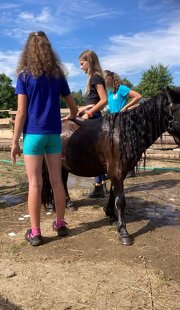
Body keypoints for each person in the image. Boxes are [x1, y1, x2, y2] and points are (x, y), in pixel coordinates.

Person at [11, 31, 78, 247]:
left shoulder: (24, 76)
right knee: (57, 181)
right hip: (53, 135)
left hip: (33, 135)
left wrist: (14, 143)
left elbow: (21, 113)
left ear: (28, 50)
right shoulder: (58, 75)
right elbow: (74, 108)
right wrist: (70, 116)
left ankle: (36, 232)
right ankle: (60, 224)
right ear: (49, 49)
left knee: (35, 184)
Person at [78, 49, 108, 198]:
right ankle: (99, 186)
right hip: (90, 113)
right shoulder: (93, 78)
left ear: (89, 62)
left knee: (93, 152)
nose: (80, 67)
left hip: (94, 117)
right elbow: (93, 101)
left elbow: (103, 100)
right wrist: (83, 109)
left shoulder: (96, 78)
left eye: (82, 63)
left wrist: (89, 113)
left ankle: (99, 185)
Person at [103, 70, 142, 177]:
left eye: (104, 78)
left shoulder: (122, 89)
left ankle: (130, 169)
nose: (103, 81)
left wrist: (126, 107)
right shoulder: (110, 93)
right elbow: (110, 106)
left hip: (122, 121)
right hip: (112, 121)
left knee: (124, 146)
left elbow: (138, 96)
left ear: (110, 78)